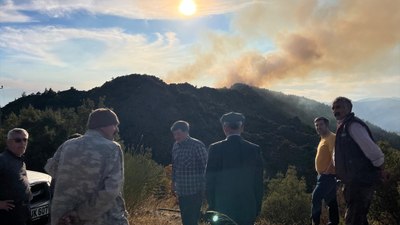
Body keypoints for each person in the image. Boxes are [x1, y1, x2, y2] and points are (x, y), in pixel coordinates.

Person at [45, 108, 129, 225]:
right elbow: (111, 191)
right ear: (102, 126)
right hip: (98, 219)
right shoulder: (112, 148)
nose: (116, 129)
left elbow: (51, 169)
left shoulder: (67, 145)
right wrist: (79, 214)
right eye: (114, 125)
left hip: (63, 218)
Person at [332, 97, 385, 225]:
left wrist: (381, 168)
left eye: (339, 107)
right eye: (333, 108)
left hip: (361, 182)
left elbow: (374, 152)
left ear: (348, 108)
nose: (335, 111)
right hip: (353, 182)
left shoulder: (353, 126)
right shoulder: (343, 126)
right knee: (359, 219)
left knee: (353, 220)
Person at [206, 112, 263, 225]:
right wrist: (257, 207)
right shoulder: (254, 149)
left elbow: (209, 181)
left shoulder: (215, 148)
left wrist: (211, 205)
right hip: (247, 206)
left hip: (222, 206)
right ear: (242, 127)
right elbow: (258, 182)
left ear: (225, 127)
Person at [171, 120, 208, 225]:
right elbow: (174, 166)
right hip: (181, 191)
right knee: (185, 219)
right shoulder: (175, 146)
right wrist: (173, 183)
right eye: (174, 134)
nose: (176, 137)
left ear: (186, 131)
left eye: (178, 134)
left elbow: (206, 166)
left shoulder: (197, 145)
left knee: (192, 220)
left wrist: (204, 188)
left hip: (195, 191)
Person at [0, 128, 32, 225]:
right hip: (9, 214)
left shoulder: (19, 159)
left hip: (24, 210)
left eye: (25, 140)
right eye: (18, 140)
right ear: (8, 142)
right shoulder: (2, 160)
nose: (22, 143)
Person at [311, 117, 339, 225]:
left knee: (315, 198)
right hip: (324, 176)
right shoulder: (323, 138)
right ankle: (334, 222)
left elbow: (335, 156)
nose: (318, 127)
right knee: (331, 202)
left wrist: (328, 171)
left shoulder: (331, 137)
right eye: (316, 125)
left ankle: (315, 223)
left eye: (321, 125)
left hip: (327, 176)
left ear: (327, 125)